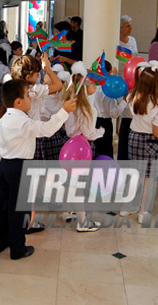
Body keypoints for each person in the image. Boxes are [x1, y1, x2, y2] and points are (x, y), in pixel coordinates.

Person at [0, 79, 76, 259]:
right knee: (18, 210)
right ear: (18, 102)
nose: (31, 98)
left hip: (4, 166)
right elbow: (46, 129)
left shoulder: (3, 120)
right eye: (28, 95)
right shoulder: (22, 122)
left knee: (3, 206)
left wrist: (1, 164)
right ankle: (17, 249)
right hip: (19, 168)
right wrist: (64, 111)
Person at [124, 61, 158, 224]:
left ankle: (128, 205)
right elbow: (157, 132)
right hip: (150, 142)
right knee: (148, 179)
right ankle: (142, 211)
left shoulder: (132, 98)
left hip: (133, 138)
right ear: (157, 85)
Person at [61, 65, 103, 232]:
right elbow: (89, 133)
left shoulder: (69, 105)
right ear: (85, 88)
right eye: (93, 85)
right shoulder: (89, 110)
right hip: (83, 148)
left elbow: (69, 130)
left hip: (69, 146)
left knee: (70, 183)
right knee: (80, 185)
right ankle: (83, 221)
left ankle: (68, 210)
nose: (96, 87)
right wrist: (100, 132)